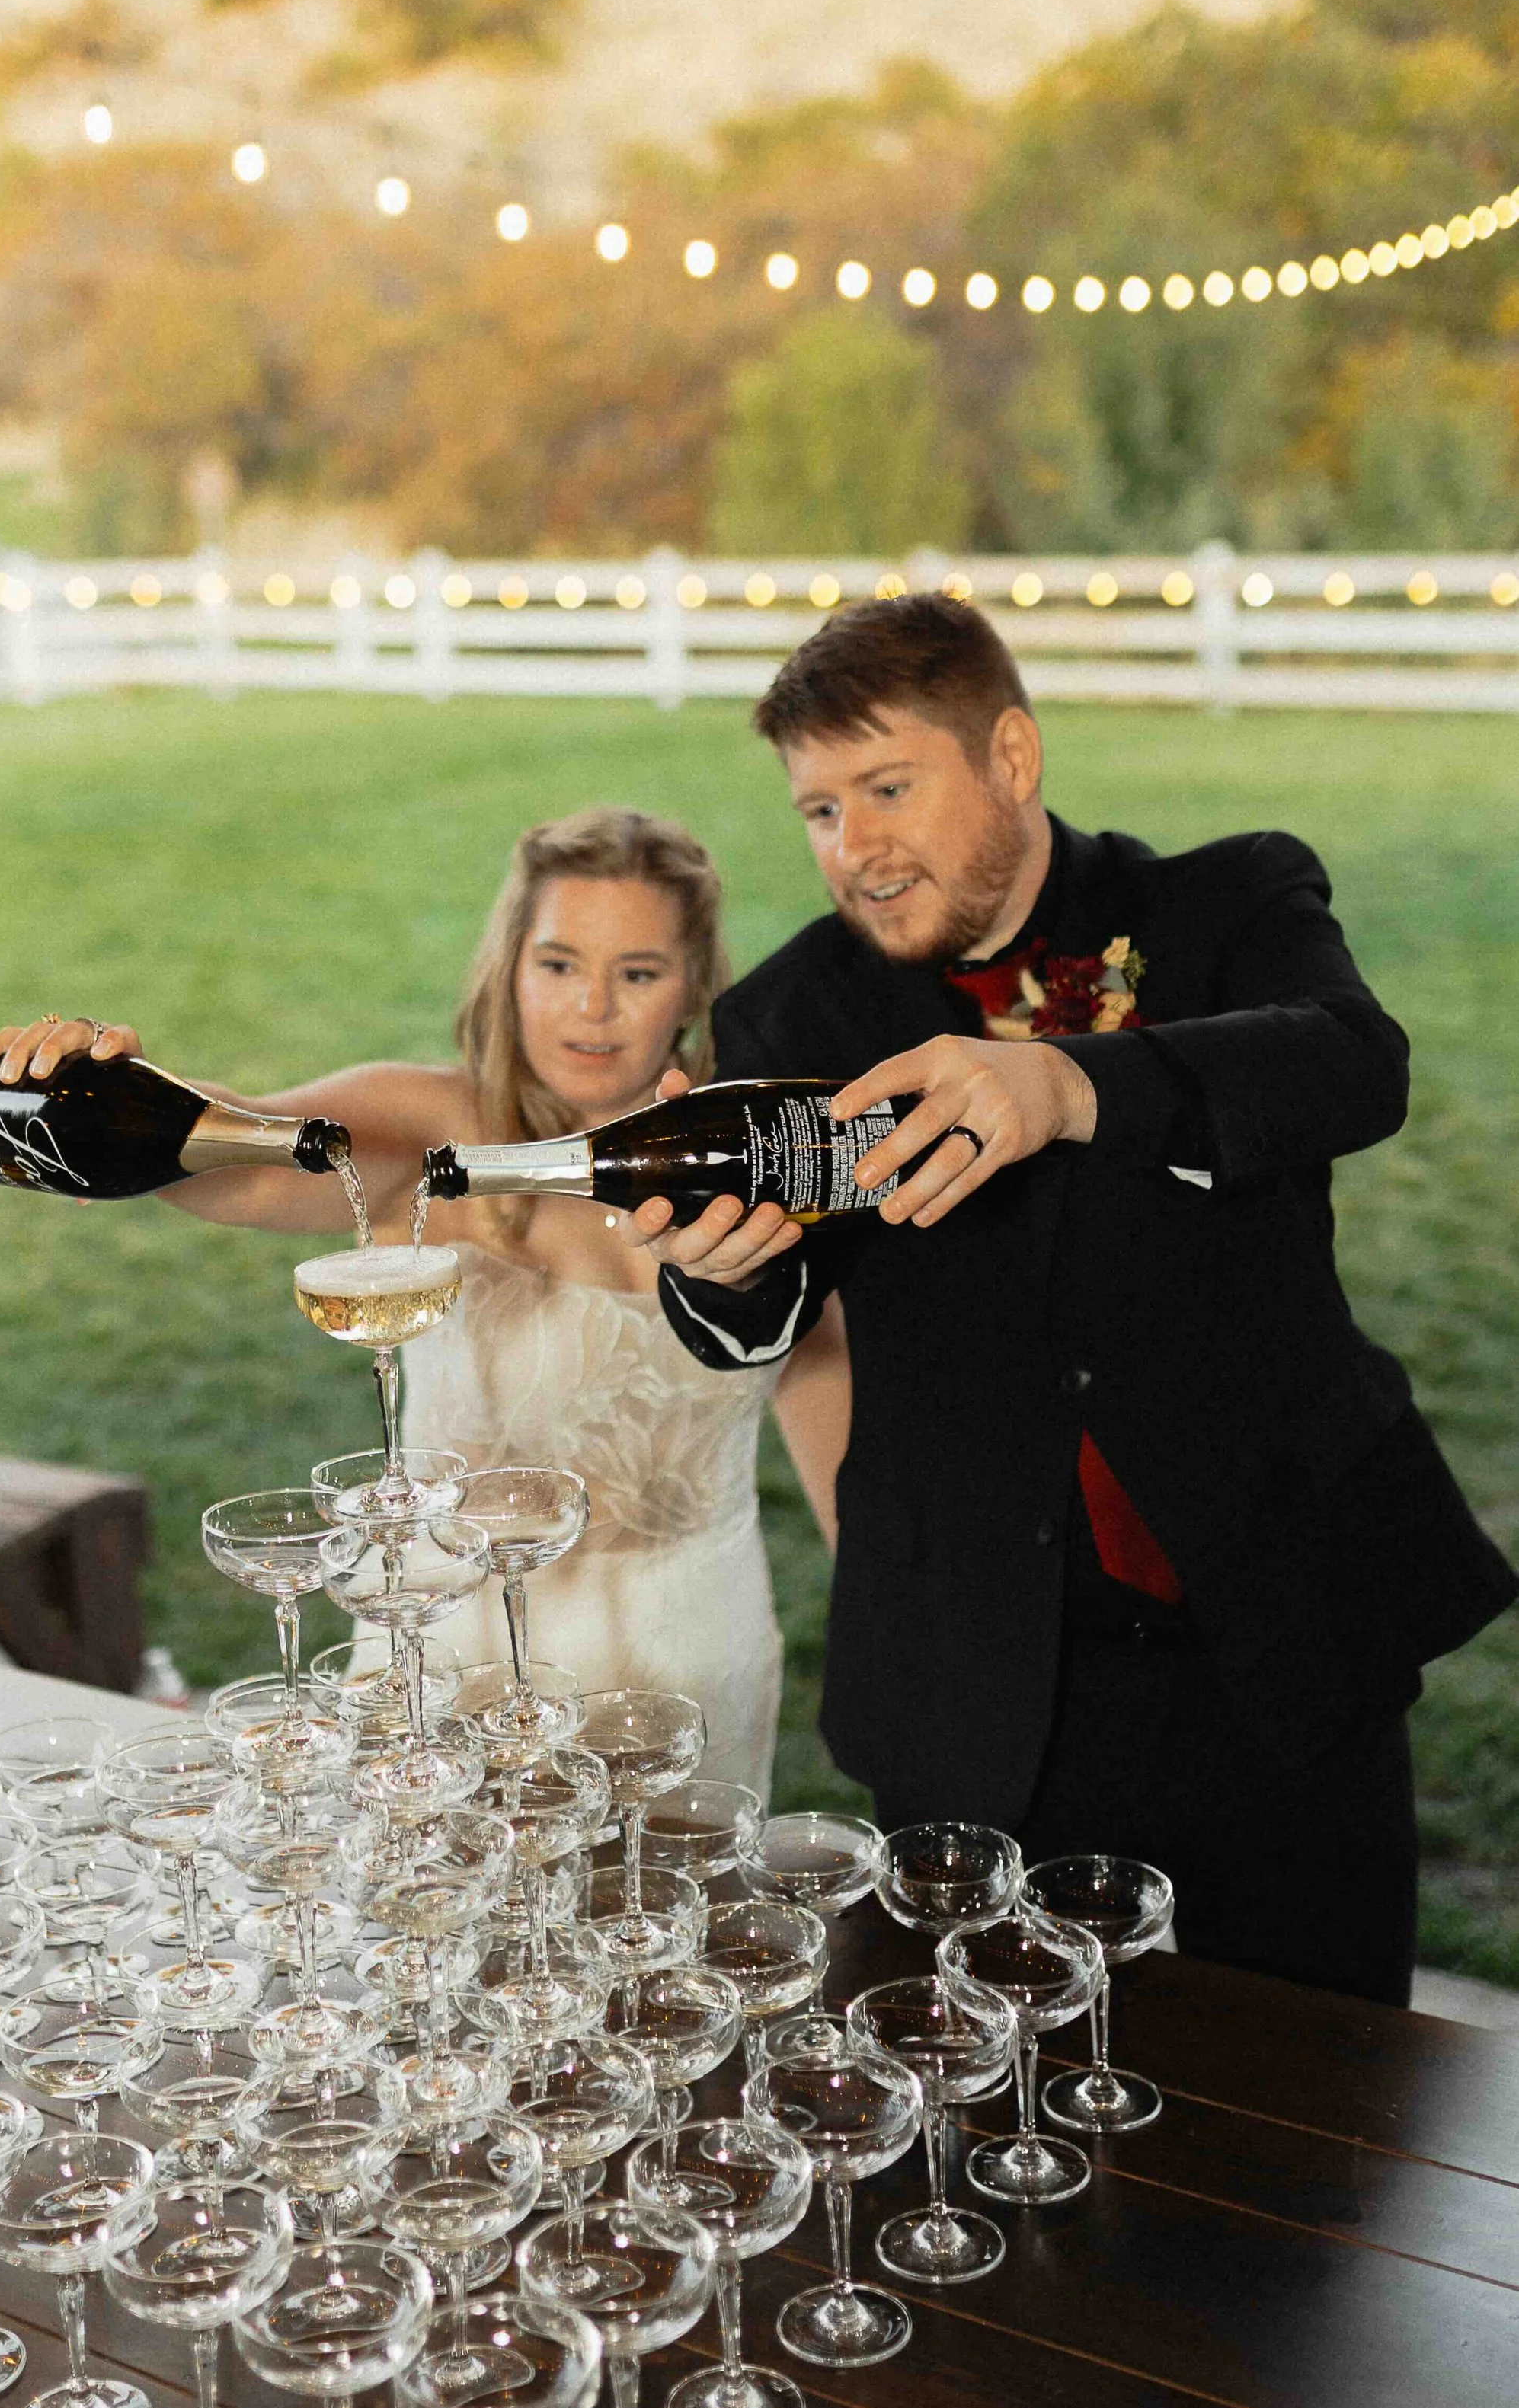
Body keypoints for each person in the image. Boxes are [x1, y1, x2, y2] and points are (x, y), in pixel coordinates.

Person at [639, 591, 1515, 2004]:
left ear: (1013, 757)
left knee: (1332, 2106)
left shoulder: (1229, 902)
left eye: (887, 788)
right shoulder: (794, 1017)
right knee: (992, 2119)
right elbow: (770, 1293)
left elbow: (1357, 1064)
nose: (854, 850)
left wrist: (1069, 1085)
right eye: (817, 811)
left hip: (1279, 1633)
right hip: (979, 1666)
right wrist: (725, 1276)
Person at [0, 807, 849, 1800]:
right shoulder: (437, 1129)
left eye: (637, 972)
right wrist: (100, 1085)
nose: (593, 1007)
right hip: (453, 1677)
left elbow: (839, 1434)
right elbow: (240, 1151)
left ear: (695, 984)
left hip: (690, 1672)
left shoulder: (761, 1160)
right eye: (559, 964)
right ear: (509, 966)